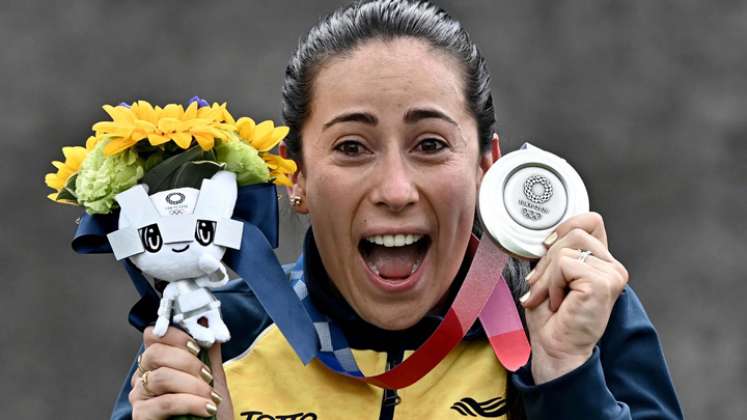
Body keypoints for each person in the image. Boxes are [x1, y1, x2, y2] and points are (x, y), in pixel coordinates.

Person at [115, 1, 683, 419]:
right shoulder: (210, 335)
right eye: (352, 147)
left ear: (487, 165)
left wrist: (567, 380)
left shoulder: (576, 321)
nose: (395, 189)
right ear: (297, 175)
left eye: (430, 145)